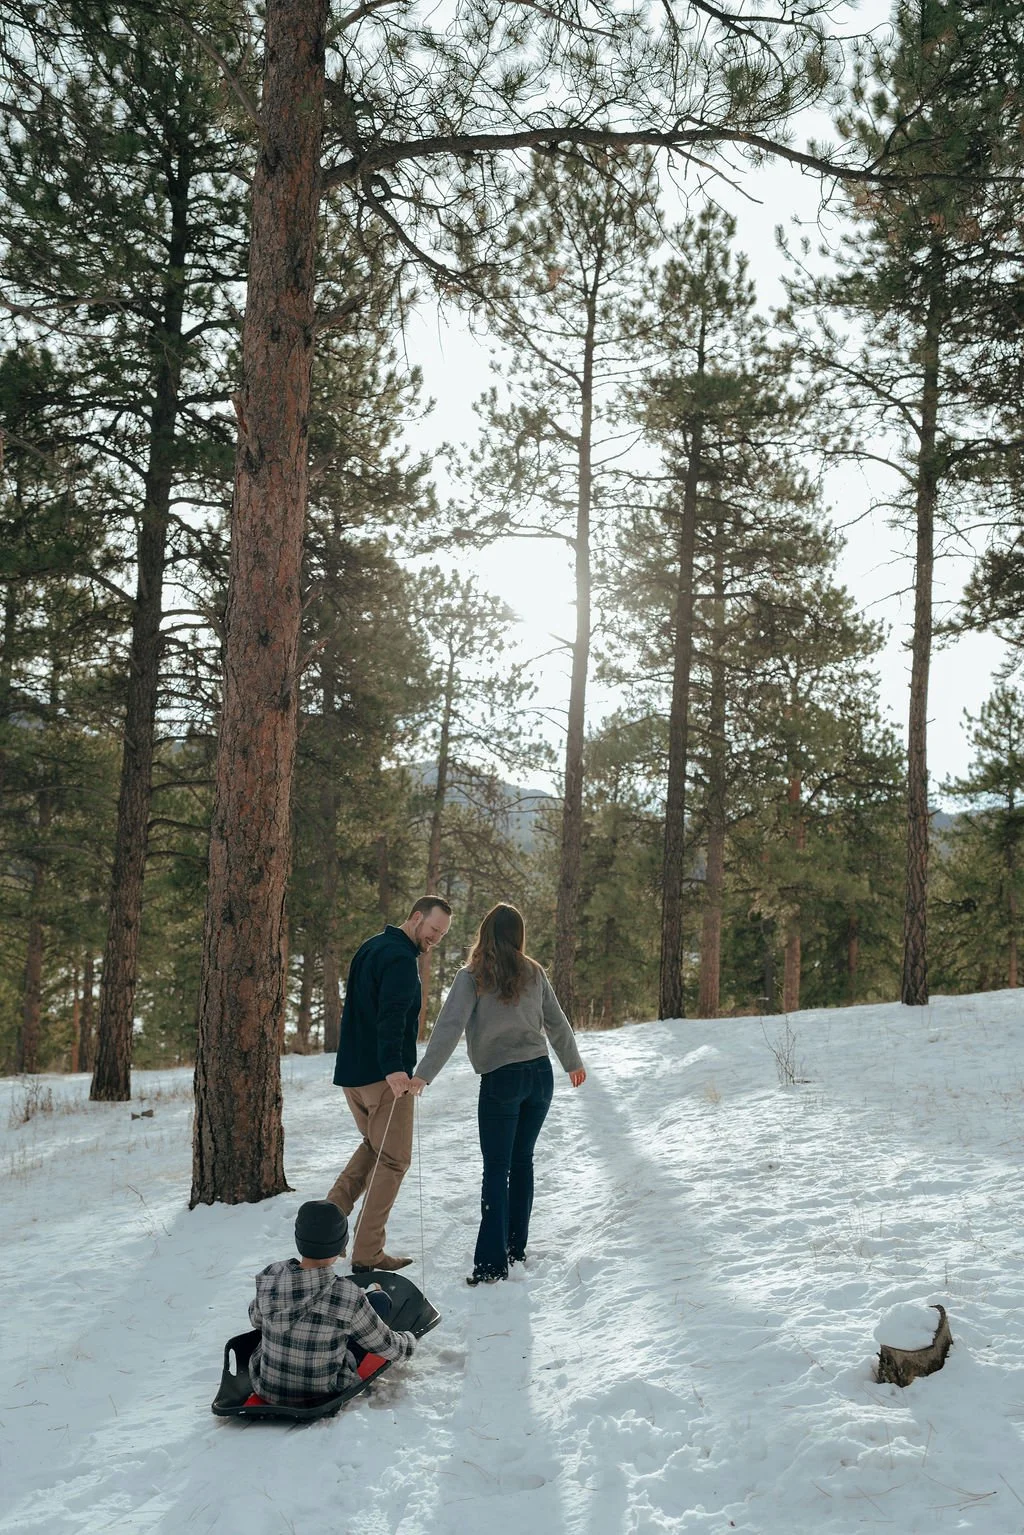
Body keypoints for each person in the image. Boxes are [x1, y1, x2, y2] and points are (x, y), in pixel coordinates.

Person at [411, 902, 586, 1286]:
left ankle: (491, 1266)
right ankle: (513, 1249)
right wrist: (572, 1062)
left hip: (502, 1080)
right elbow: (556, 1022)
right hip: (540, 1076)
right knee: (521, 1162)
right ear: (518, 935)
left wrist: (423, 1075)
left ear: (485, 933)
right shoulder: (534, 971)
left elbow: (450, 1027)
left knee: (497, 1168)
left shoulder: (472, 975)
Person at [327, 896, 452, 1271]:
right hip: (385, 1079)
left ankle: (326, 1224)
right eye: (433, 930)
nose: (435, 939)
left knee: (375, 1149)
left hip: (354, 1076)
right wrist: (396, 1069)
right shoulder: (400, 958)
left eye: (442, 935)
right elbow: (392, 1017)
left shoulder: (370, 947)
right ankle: (367, 1252)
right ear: (415, 918)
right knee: (395, 1160)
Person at [248, 1200, 416, 1406]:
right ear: (341, 1245)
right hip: (323, 1391)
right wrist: (409, 1341)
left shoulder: (271, 1275)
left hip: (267, 1387)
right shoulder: (346, 1294)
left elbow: (256, 1320)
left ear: (298, 1239)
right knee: (379, 1301)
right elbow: (390, 1348)